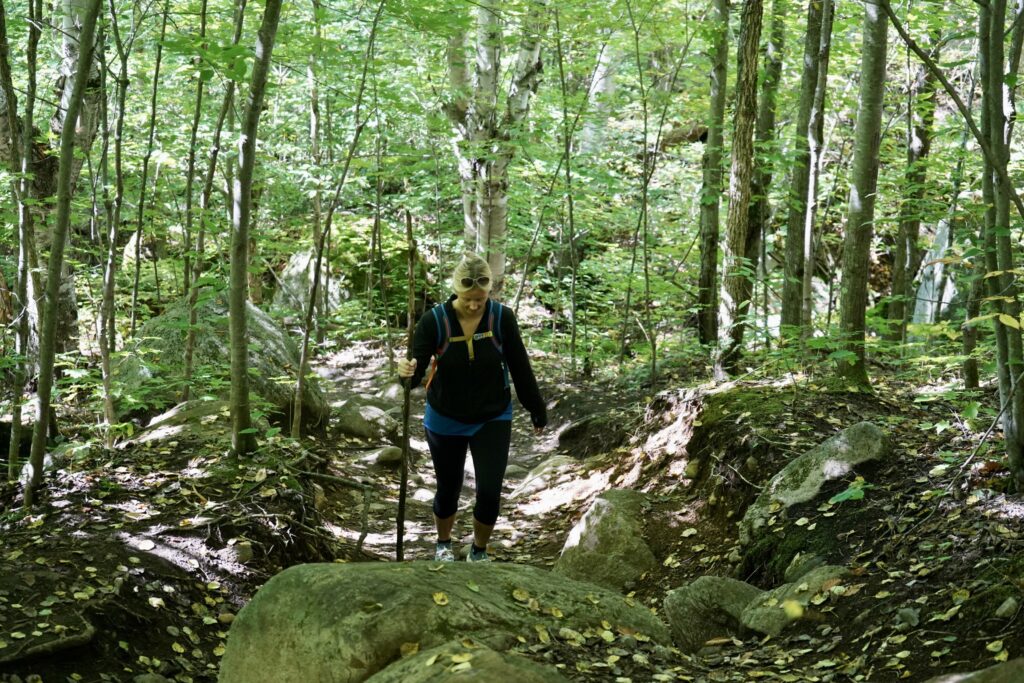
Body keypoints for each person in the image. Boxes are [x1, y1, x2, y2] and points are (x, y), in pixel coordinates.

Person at [397, 252, 547, 562]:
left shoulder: (501, 318)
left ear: (489, 292)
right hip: (445, 417)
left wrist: (536, 407)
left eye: (480, 298)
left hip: (492, 415)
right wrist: (406, 373)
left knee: (490, 493)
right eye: (468, 299)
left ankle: (478, 551)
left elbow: (520, 366)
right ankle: (443, 544)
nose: (475, 305)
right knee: (448, 489)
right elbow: (415, 373)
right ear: (456, 291)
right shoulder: (434, 321)